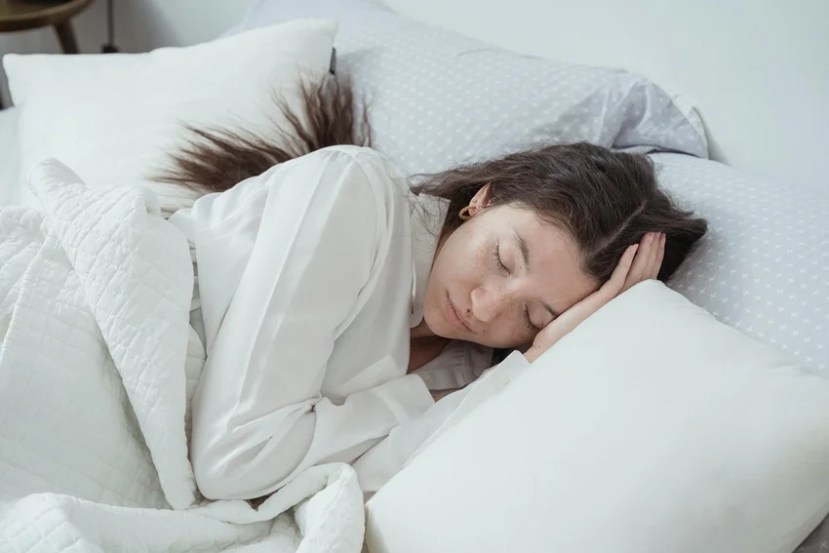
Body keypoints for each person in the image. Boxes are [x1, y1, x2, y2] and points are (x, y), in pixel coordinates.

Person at [162, 77, 707, 501]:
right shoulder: (354, 194)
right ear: (484, 199)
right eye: (502, 259)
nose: (486, 307)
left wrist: (536, 362)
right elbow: (232, 462)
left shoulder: (471, 376)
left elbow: (343, 494)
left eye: (536, 317)